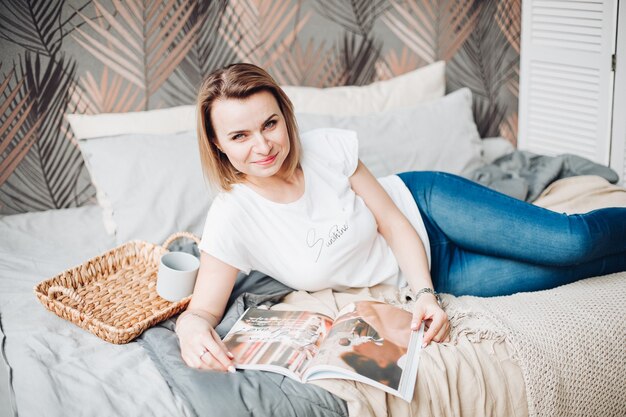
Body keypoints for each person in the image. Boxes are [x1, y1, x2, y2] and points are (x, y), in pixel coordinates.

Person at [175, 62, 626, 374]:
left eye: (269, 124)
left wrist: (423, 293)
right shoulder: (232, 216)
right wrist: (191, 331)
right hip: (437, 270)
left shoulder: (327, 149)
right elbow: (202, 311)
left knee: (570, 243)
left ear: (284, 116)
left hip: (428, 207)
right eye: (240, 135)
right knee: (557, 273)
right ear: (219, 145)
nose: (263, 146)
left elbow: (391, 220)